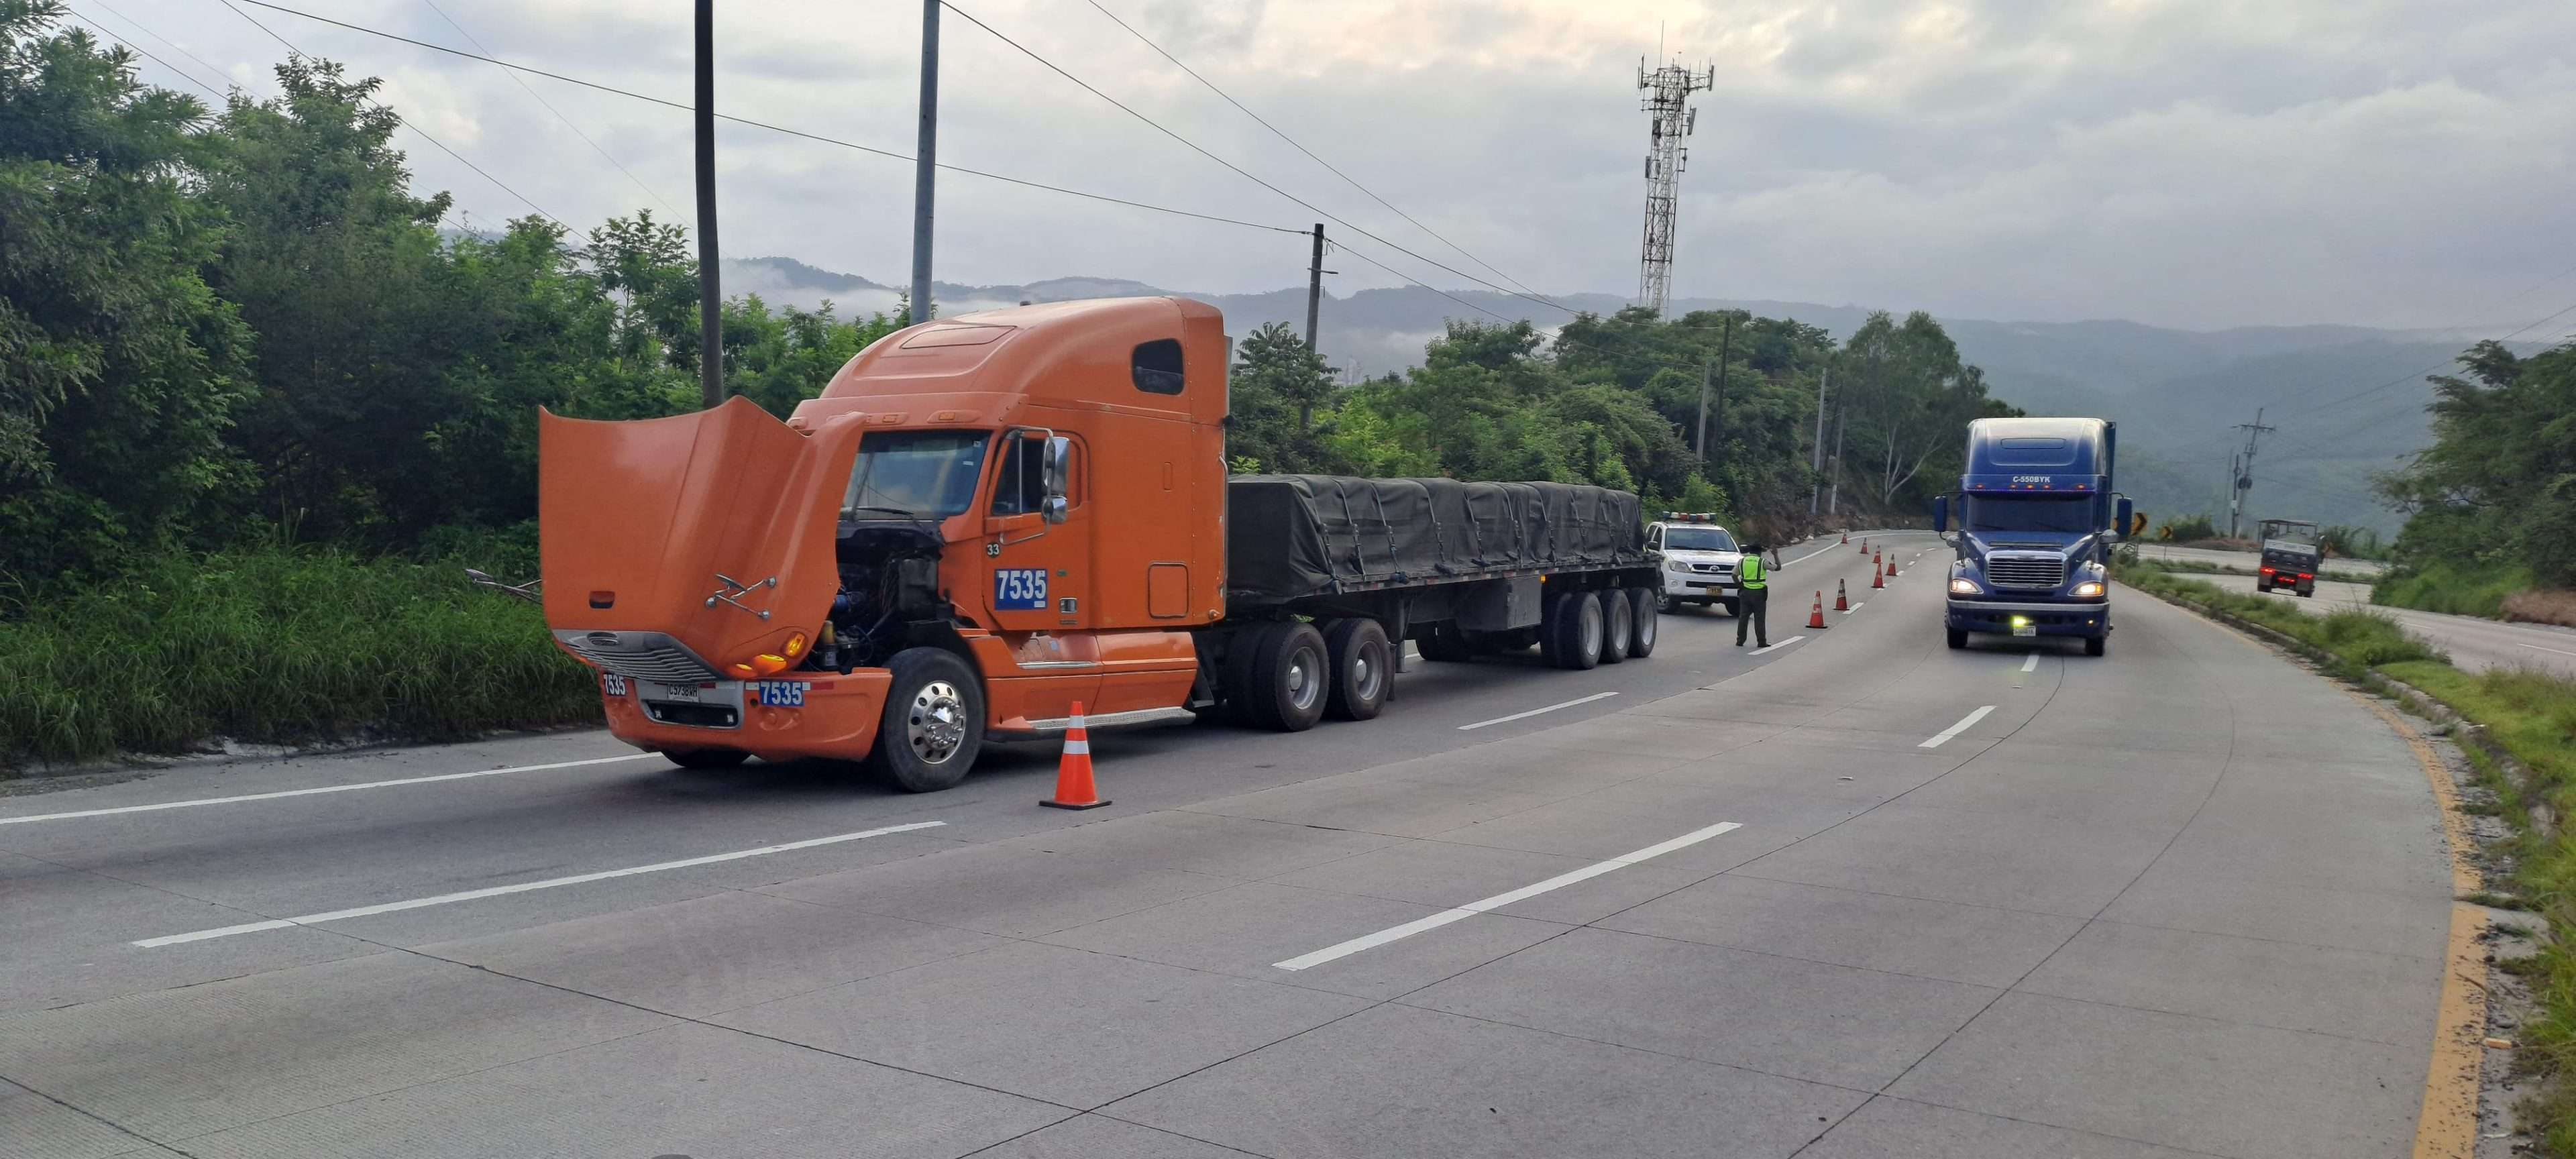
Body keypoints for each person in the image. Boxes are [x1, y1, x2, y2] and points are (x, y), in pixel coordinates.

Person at [1735, 541, 1774, 647]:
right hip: (1758, 594)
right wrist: (1776, 556)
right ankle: (1761, 641)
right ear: (1759, 552)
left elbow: (1733, 575)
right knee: (1759, 619)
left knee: (1743, 617)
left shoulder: (1742, 561)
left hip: (1745, 592)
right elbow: (1778, 568)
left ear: (1750, 551)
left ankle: (1740, 640)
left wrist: (1739, 585)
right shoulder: (1763, 562)